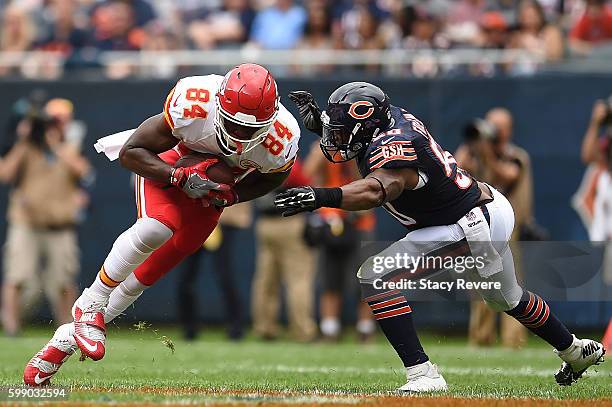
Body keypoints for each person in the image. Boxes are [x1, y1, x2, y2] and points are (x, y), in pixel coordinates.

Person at [276, 83, 605, 392]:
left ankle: (422, 373)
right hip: (481, 208)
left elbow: (379, 189)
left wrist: (323, 196)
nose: (336, 140)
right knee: (507, 298)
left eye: (341, 131)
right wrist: (323, 124)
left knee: (377, 277)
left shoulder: (394, 145)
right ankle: (575, 351)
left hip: (469, 221)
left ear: (366, 125)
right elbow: (360, 136)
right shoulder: (386, 120)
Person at [23, 63, 301, 386]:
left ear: (269, 122)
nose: (239, 136)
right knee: (159, 225)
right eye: (234, 125)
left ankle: (62, 344)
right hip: (169, 166)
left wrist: (234, 194)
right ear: (220, 105)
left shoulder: (282, 138)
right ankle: (90, 303)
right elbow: (131, 152)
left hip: (210, 195)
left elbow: (273, 176)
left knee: (145, 276)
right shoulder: (194, 102)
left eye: (249, 131)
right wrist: (177, 175)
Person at [1, 104, 91, 337]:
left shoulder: (68, 149)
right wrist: (22, 140)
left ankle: (68, 329)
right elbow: (5, 173)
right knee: (17, 276)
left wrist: (56, 146)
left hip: (60, 225)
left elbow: (84, 172)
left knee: (63, 281)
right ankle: (11, 327)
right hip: (26, 223)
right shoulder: (27, 148)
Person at [455, 108, 533, 349]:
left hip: (509, 228)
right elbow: (454, 173)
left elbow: (508, 175)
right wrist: (470, 151)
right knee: (481, 283)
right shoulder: (475, 154)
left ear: (508, 130)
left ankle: (513, 340)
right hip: (479, 226)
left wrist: (487, 155)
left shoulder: (516, 155)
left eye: (498, 126)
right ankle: (480, 338)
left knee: (511, 282)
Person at [302, 143, 376, 342]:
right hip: (333, 221)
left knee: (365, 280)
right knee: (329, 279)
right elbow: (306, 176)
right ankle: (329, 329)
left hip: (360, 220)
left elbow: (366, 182)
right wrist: (320, 155)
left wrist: (351, 156)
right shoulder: (326, 150)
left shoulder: (364, 148)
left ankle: (365, 329)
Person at [251, 160, 317, 342]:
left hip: (265, 223)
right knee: (298, 279)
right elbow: (307, 183)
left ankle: (265, 327)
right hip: (290, 222)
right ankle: (303, 330)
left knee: (266, 279)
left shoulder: (255, 160)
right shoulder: (286, 160)